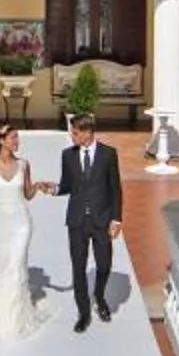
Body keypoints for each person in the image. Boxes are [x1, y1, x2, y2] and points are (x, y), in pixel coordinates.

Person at [0, 125, 48, 342]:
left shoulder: (24, 164)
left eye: (17, 138)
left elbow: (27, 194)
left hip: (21, 223)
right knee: (2, 265)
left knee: (16, 266)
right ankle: (1, 311)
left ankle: (15, 319)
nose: (17, 141)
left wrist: (38, 186)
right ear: (1, 140)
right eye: (13, 138)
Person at [54, 113, 124, 333]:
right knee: (78, 269)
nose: (72, 136)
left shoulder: (108, 154)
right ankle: (83, 313)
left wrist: (116, 219)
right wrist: (54, 189)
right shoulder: (67, 155)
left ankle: (99, 297)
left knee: (104, 265)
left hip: (101, 221)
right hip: (76, 221)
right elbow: (67, 185)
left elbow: (115, 189)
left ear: (87, 132)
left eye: (75, 133)